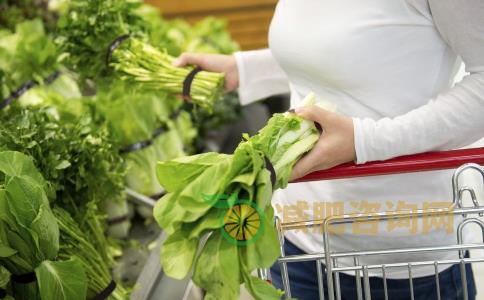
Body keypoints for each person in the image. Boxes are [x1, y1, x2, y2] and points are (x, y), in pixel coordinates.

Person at [174, 0, 484, 299]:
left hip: (401, 256)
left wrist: (365, 140)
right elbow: (340, 54)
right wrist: (244, 69)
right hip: (295, 238)